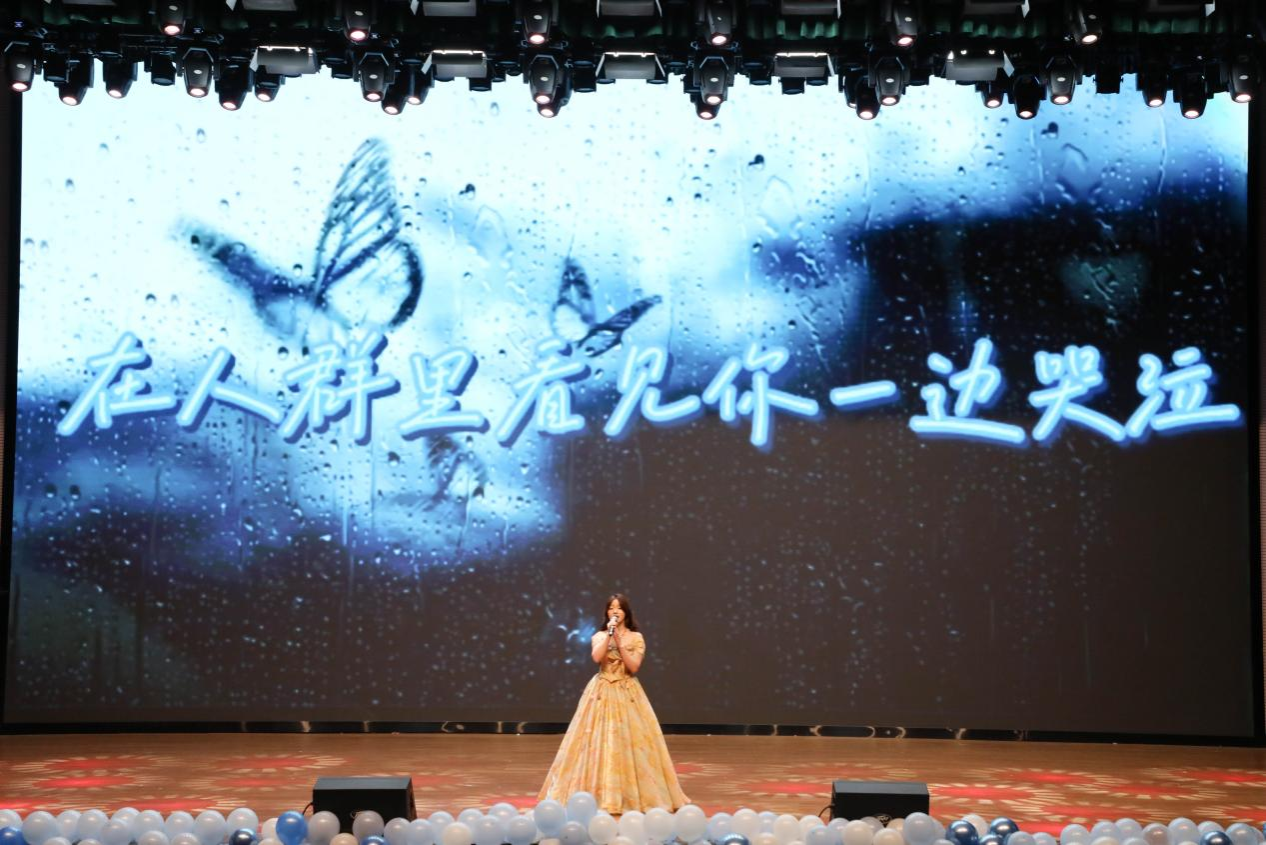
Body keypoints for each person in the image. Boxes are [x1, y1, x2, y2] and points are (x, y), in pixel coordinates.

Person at [538, 593, 690, 814]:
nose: (615, 611)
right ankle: (597, 794)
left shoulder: (636, 637)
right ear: (606, 613)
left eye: (619, 608)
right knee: (593, 742)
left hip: (627, 691)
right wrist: (609, 636)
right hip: (601, 691)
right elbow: (596, 658)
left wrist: (619, 642)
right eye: (611, 608)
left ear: (626, 612)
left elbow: (634, 666)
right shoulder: (599, 636)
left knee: (633, 742)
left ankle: (632, 794)